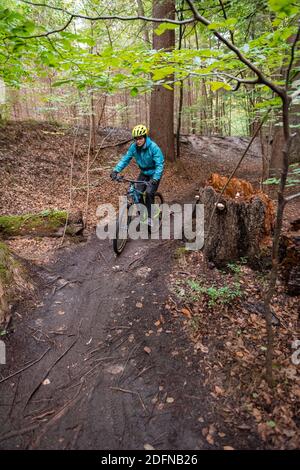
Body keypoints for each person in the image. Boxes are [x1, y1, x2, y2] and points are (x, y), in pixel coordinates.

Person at [110, 124, 164, 226]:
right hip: (144, 173)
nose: (138, 141)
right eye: (136, 139)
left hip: (154, 174)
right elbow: (125, 159)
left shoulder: (153, 147)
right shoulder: (134, 147)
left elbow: (159, 164)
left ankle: (151, 217)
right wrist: (115, 170)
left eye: (140, 138)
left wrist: (155, 178)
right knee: (137, 194)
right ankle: (144, 215)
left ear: (145, 137)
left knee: (148, 193)